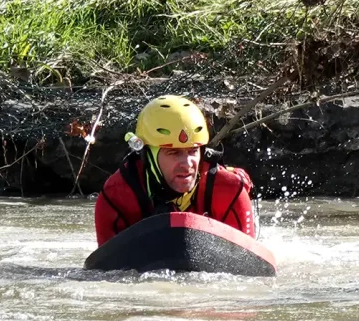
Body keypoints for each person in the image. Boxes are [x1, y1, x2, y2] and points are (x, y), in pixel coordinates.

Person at [94, 95, 256, 246]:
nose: (186, 163)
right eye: (174, 152)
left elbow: (251, 265)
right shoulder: (115, 196)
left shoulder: (231, 189)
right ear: (148, 154)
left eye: (192, 151)